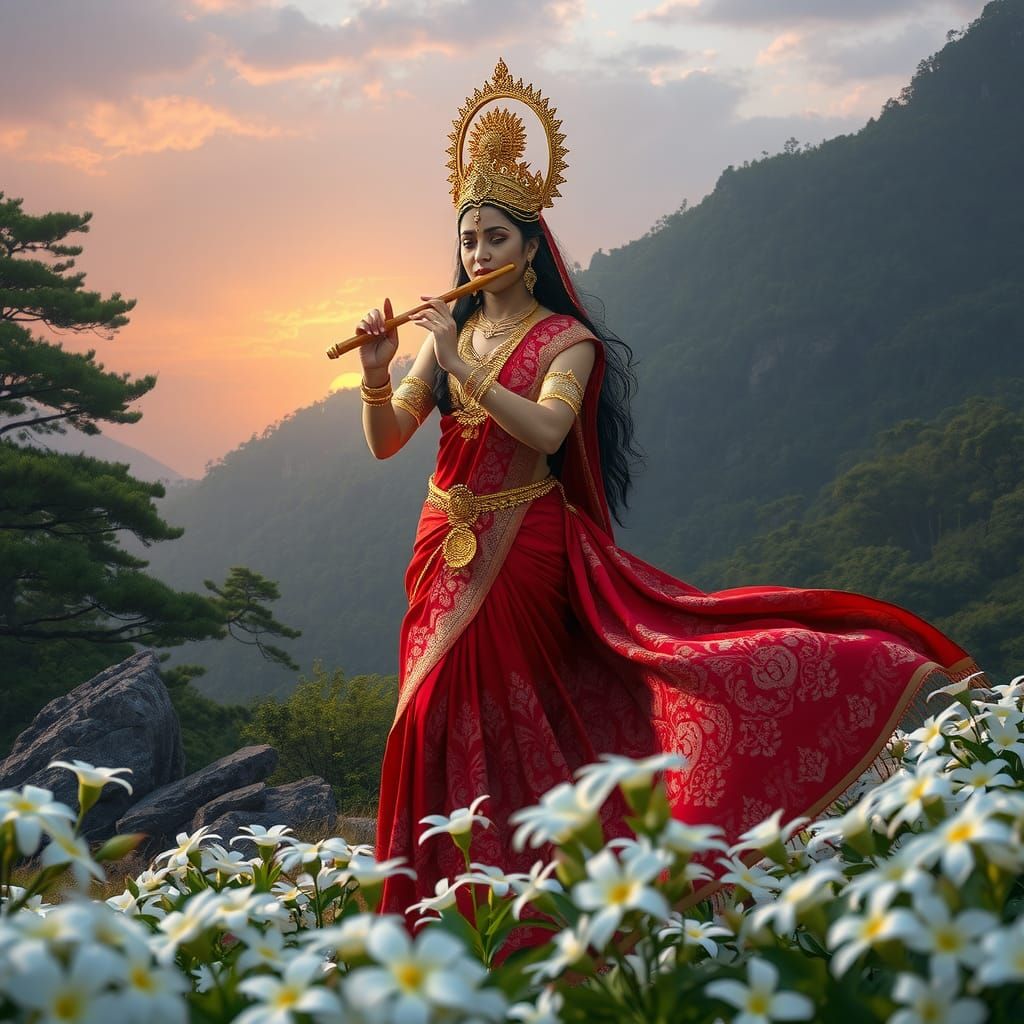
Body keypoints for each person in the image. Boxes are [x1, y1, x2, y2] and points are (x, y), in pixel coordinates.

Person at [355, 60, 979, 932]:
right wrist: (382, 377)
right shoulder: (447, 333)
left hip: (520, 550)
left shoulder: (567, 340)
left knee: (506, 718)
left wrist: (461, 370)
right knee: (428, 714)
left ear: (533, 250)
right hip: (439, 549)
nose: (477, 255)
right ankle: (432, 920)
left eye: (496, 238)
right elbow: (389, 444)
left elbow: (542, 434)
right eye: (468, 239)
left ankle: (536, 916)